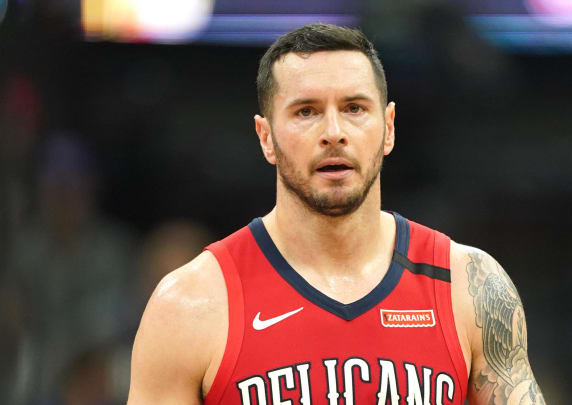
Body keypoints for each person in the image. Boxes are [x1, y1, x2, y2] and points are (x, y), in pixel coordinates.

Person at [127, 23, 546, 405]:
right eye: (306, 111)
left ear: (389, 127)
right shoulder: (190, 304)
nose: (334, 132)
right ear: (266, 137)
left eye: (354, 108)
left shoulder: (470, 287)